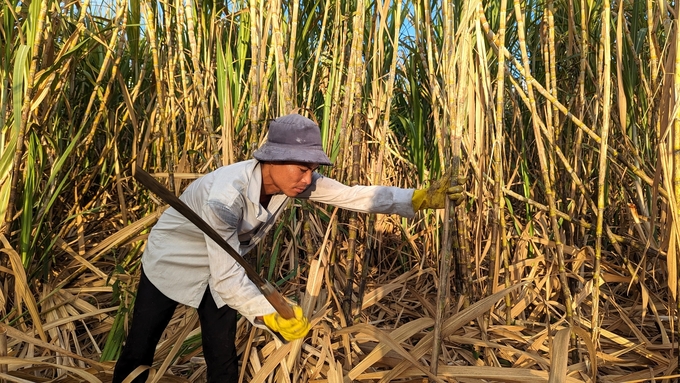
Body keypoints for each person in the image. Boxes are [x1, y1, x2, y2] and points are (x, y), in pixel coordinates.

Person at [111, 113, 464, 382]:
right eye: (302, 168)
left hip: (223, 265)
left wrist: (415, 199)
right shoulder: (225, 198)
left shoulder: (292, 182)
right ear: (272, 159)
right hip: (174, 260)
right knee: (142, 345)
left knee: (221, 353)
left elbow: (349, 194)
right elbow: (228, 280)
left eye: (312, 169)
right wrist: (269, 314)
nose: (309, 178)